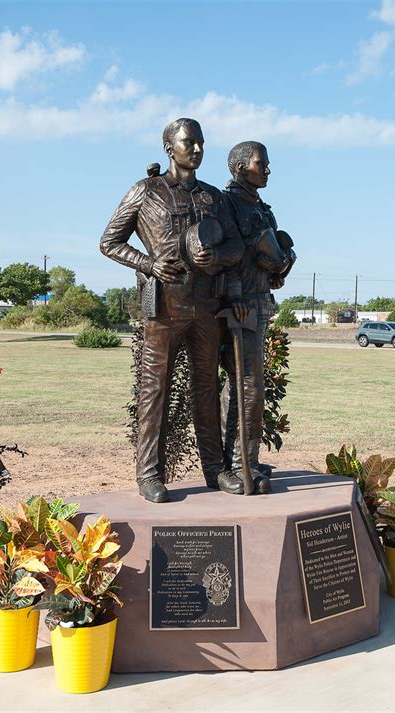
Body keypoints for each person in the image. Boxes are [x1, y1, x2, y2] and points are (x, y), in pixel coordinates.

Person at [100, 118, 245, 503]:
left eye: (200, 142)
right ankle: (149, 474)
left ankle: (215, 470)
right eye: (188, 143)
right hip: (163, 308)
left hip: (206, 307)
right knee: (155, 390)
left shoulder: (214, 197)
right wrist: (147, 263)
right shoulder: (145, 191)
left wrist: (217, 255)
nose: (196, 149)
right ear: (170, 148)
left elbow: (237, 248)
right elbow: (109, 242)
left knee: (206, 389)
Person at [221, 141, 296, 494]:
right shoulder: (228, 203)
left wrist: (280, 265)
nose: (267, 169)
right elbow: (228, 254)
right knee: (248, 386)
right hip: (241, 306)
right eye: (260, 163)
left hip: (259, 300)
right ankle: (238, 466)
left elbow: (271, 262)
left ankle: (244, 459)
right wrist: (234, 295)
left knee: (249, 385)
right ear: (239, 167)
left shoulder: (262, 207)